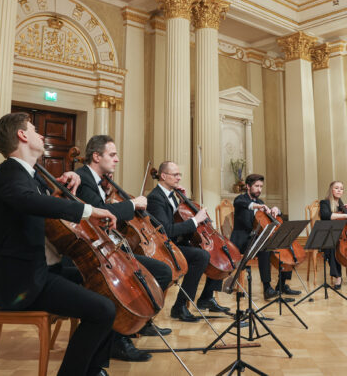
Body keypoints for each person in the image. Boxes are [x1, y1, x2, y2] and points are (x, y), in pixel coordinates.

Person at [0, 112, 116, 376]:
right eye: (34, 129)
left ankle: (94, 370)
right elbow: (28, 200)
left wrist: (61, 187)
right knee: (103, 309)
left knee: (106, 284)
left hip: (41, 271)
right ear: (22, 135)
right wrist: (88, 210)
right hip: (25, 280)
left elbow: (35, 201)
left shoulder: (25, 175)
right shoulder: (9, 172)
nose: (41, 134)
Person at [75, 134, 173, 362]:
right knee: (127, 280)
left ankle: (136, 323)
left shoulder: (99, 181)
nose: (117, 159)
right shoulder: (83, 178)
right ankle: (118, 339)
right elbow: (99, 214)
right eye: (112, 154)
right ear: (96, 156)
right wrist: (132, 204)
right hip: (89, 253)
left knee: (161, 271)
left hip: (106, 249)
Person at [146, 161, 229, 321]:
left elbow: (179, 218)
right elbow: (167, 231)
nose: (178, 178)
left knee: (215, 252)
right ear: (163, 176)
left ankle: (206, 297)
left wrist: (183, 201)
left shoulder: (173, 195)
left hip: (178, 242)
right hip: (165, 247)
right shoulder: (156, 198)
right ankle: (180, 306)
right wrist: (195, 221)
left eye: (179, 175)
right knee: (201, 256)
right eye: (175, 175)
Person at [231, 173, 301, 300]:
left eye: (261, 186)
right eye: (256, 186)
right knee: (264, 246)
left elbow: (268, 218)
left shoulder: (261, 202)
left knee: (283, 242)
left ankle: (281, 285)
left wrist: (276, 210)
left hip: (256, 240)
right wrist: (259, 207)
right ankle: (267, 287)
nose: (259, 189)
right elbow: (247, 205)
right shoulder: (240, 200)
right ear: (248, 186)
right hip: (242, 241)